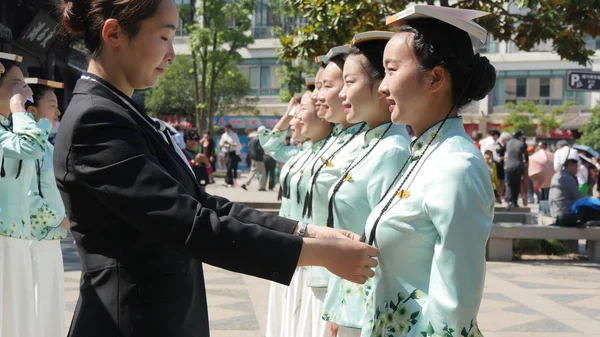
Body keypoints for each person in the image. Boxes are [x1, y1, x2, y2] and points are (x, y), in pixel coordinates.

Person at [54, 1, 379, 336]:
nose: (172, 54)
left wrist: (304, 232)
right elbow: (188, 224)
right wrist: (318, 253)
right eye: (165, 37)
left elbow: (203, 204)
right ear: (114, 33)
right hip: (129, 321)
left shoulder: (122, 113)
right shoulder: (97, 121)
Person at [362, 6, 496, 337]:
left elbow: (455, 305)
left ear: (435, 77)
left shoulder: (457, 166)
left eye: (391, 70)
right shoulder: (422, 154)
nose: (382, 86)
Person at [321, 31, 411, 337]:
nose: (342, 95)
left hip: (365, 307)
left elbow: (381, 243)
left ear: (380, 86)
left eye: (350, 83)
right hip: (348, 295)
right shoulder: (369, 143)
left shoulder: (393, 150)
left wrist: (350, 306)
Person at [299, 44, 368, 337]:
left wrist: (346, 299)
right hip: (319, 272)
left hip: (345, 287)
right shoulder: (344, 142)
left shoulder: (383, 147)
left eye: (328, 85)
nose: (319, 95)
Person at [0, 57, 54, 337]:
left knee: (18, 321)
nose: (24, 90)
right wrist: (19, 106)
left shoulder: (10, 130)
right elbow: (32, 148)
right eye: (16, 84)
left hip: (17, 238)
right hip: (4, 240)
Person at [25, 80, 70, 337]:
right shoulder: (30, 148)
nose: (58, 112)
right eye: (52, 105)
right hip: (34, 240)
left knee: (49, 309)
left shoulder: (48, 147)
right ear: (32, 111)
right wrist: (63, 220)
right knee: (36, 308)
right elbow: (28, 198)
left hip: (50, 239)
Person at [550, 156, 584, 227]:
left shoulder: (557, 175)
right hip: (564, 212)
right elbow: (578, 197)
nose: (577, 169)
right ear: (570, 165)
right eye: (576, 166)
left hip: (555, 210)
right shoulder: (567, 177)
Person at [504, 130, 528, 210]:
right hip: (518, 166)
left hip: (508, 166)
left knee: (510, 184)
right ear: (520, 136)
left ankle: (509, 201)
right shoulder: (522, 144)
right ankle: (514, 202)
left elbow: (500, 151)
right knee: (516, 184)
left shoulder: (507, 143)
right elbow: (526, 156)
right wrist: (526, 163)